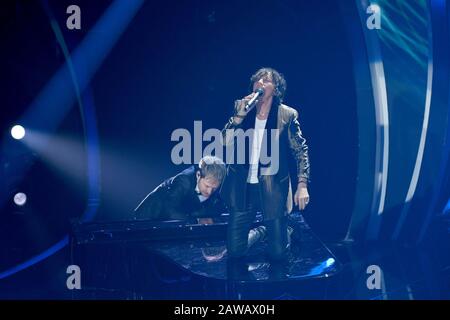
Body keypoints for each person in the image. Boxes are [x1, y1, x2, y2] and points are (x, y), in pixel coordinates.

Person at [221, 67, 310, 261]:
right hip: (243, 188)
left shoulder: (286, 114)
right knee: (235, 251)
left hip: (274, 188)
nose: (260, 83)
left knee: (278, 254)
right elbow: (223, 143)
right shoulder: (242, 109)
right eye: (257, 80)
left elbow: (299, 150)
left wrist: (302, 185)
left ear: (276, 89)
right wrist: (238, 117)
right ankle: (263, 230)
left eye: (266, 80)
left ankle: (285, 229)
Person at [134, 155, 227, 222]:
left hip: (166, 224)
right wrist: (198, 220)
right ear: (198, 175)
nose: (209, 191)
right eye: (207, 186)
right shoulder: (183, 180)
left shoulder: (215, 186)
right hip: (145, 221)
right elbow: (169, 211)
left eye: (214, 188)